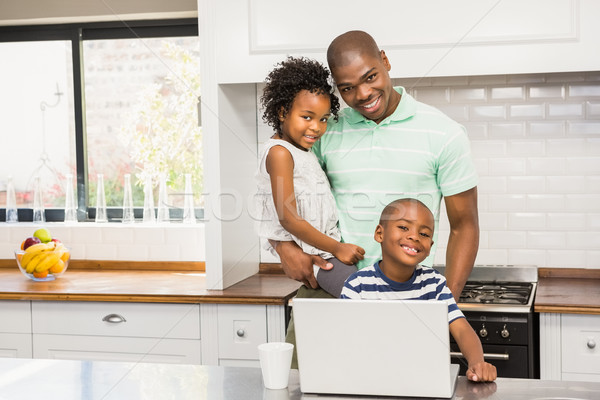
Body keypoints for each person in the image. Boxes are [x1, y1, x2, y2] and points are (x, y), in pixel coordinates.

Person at [272, 30, 479, 299]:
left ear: (385, 60)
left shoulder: (445, 134)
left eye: (370, 77)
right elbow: (273, 184)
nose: (364, 94)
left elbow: (465, 226)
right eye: (347, 88)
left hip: (408, 291)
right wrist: (282, 245)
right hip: (330, 284)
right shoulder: (325, 130)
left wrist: (445, 301)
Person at [341, 198, 496, 383]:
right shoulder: (357, 285)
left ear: (430, 246)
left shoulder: (435, 284)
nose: (414, 236)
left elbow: (462, 329)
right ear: (379, 233)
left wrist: (477, 362)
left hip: (424, 380)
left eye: (424, 233)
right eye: (404, 228)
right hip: (371, 379)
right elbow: (347, 341)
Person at [256, 56, 365, 298]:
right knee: (363, 295)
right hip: (318, 255)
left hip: (324, 250)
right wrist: (337, 247)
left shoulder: (301, 151)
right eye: (307, 117)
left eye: (323, 119)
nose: (316, 127)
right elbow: (289, 219)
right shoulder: (280, 153)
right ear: (283, 112)